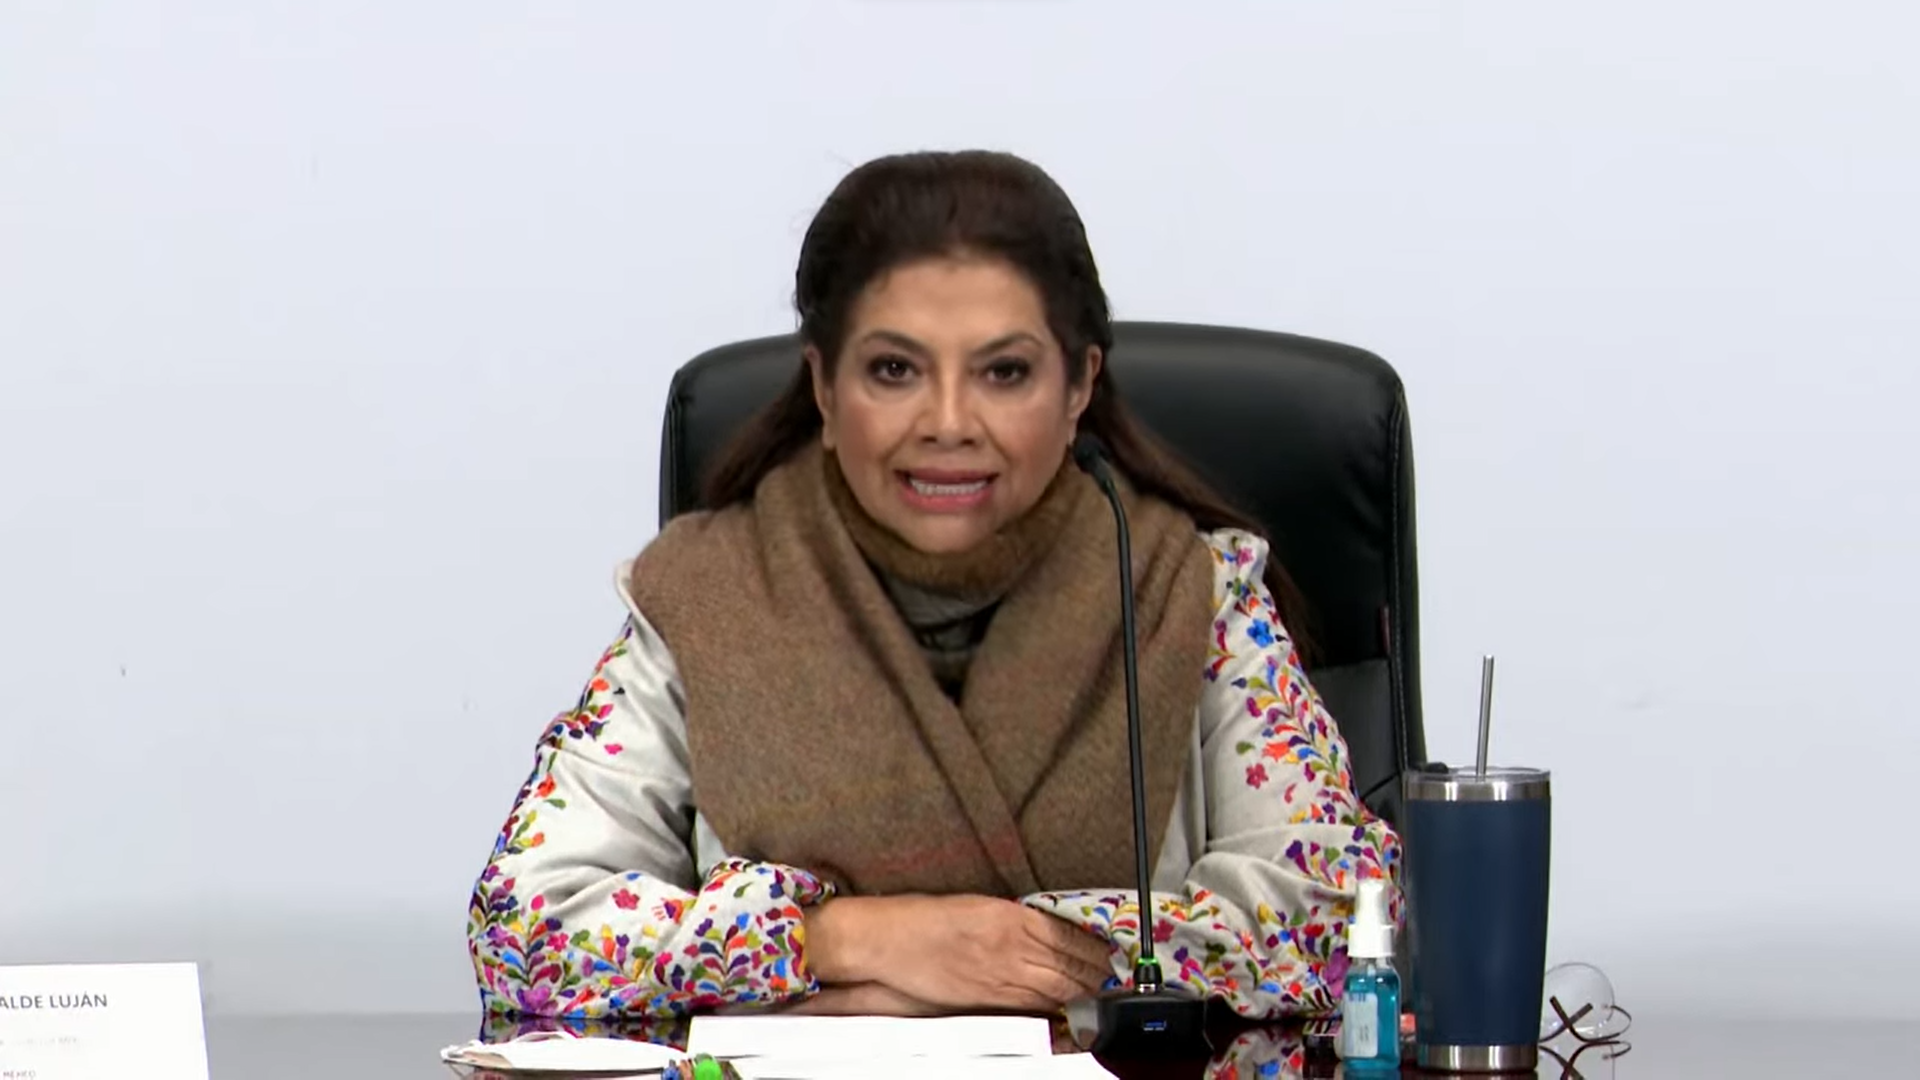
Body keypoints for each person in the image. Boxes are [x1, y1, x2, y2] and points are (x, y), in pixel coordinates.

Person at [467, 149, 1401, 1023]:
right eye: (894, 370)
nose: (949, 422)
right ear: (824, 388)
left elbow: (1337, 917)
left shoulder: (1192, 589)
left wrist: (998, 964)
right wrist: (849, 940)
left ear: (1078, 387)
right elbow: (524, 928)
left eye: (1004, 372)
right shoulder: (703, 598)